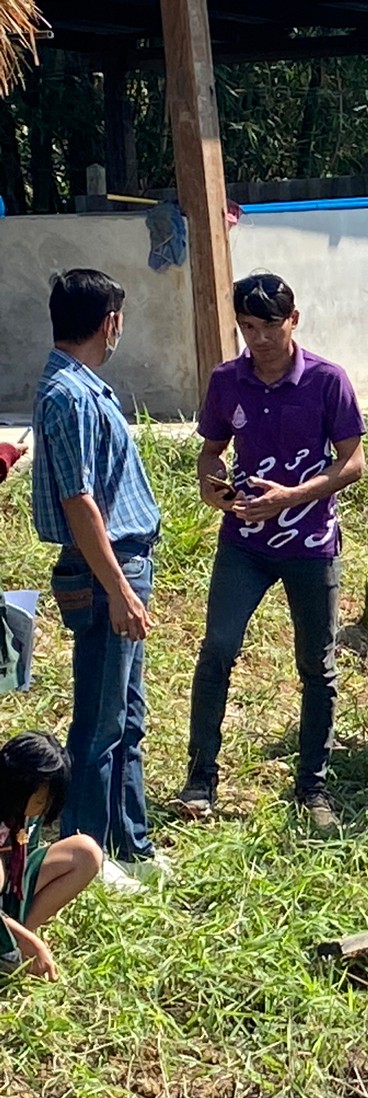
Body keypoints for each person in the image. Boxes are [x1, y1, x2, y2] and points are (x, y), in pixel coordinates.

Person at [175, 275, 366, 829]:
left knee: (317, 665)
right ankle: (201, 777)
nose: (258, 339)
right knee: (217, 650)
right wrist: (212, 484)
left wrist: (294, 496)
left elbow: (353, 461)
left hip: (311, 544)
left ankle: (312, 788)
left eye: (269, 326)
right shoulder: (226, 381)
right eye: (248, 327)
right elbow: (212, 450)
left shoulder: (327, 381)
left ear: (294, 320)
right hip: (245, 542)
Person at [31, 269, 161, 892]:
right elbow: (79, 501)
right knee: (100, 721)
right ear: (109, 323)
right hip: (104, 567)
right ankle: (88, 851)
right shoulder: (70, 396)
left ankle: (130, 843)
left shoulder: (82, 388)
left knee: (127, 717)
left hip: (122, 562)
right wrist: (119, 588)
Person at [0, 732, 104, 979]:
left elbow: (27, 855)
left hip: (13, 889)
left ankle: (12, 946)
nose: (43, 807)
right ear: (18, 785)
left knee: (86, 852)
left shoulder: (25, 812)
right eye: (40, 800)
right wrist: (33, 943)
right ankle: (13, 944)